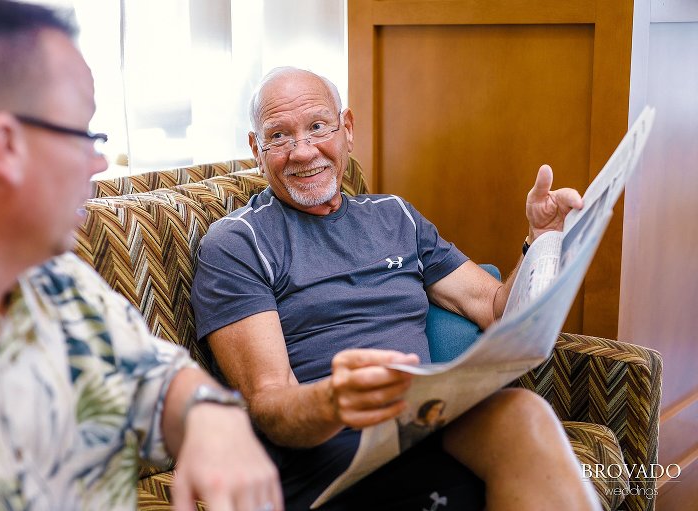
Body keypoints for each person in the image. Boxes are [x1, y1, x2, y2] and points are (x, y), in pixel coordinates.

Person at [192, 67, 601, 511]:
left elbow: (494, 308)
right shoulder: (237, 244)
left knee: (524, 413)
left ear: (347, 128)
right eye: (279, 137)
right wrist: (335, 400)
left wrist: (539, 240)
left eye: (317, 127)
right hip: (329, 453)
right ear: (256, 148)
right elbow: (269, 404)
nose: (303, 152)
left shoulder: (395, 217)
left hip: (421, 425)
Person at [0, 2, 282, 510]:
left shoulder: (57, 281)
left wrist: (211, 415)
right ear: (5, 145)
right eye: (82, 134)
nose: (98, 163)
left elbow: (155, 375)